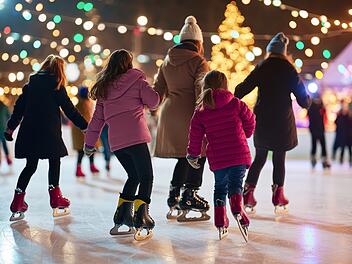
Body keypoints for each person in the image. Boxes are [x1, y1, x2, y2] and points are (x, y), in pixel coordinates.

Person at [84, 49, 159, 241]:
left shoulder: (104, 89)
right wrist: (151, 88)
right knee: (146, 177)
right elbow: (154, 102)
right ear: (128, 64)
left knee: (133, 176)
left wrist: (89, 143)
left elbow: (97, 120)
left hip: (117, 143)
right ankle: (141, 217)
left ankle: (122, 216)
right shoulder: (138, 81)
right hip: (136, 138)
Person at [234, 33, 311, 214]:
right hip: (282, 120)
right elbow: (303, 101)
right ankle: (278, 195)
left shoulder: (262, 66)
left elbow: (242, 89)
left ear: (269, 51)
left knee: (260, 157)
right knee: (279, 158)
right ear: (283, 52)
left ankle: (247, 193)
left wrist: (232, 99)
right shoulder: (289, 69)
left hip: (263, 119)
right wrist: (307, 99)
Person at [5, 55, 88, 221]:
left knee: (30, 166)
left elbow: (18, 109)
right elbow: (70, 110)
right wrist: (86, 126)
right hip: (49, 133)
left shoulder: (29, 86)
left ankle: (17, 201)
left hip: (30, 133)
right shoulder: (56, 86)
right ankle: (55, 197)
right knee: (54, 160)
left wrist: (10, 128)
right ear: (59, 70)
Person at [153, 16, 210, 221]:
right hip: (190, 113)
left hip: (169, 114)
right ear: (198, 42)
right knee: (199, 154)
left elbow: (157, 91)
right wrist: (204, 111)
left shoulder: (166, 61)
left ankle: (174, 195)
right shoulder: (198, 61)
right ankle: (190, 195)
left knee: (183, 157)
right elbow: (201, 89)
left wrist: (152, 107)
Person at [187, 70, 255, 241]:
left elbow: (194, 135)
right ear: (225, 85)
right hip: (238, 154)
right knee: (235, 186)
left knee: (220, 188)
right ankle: (237, 208)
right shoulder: (236, 104)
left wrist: (193, 154)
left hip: (218, 158)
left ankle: (220, 220)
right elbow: (251, 121)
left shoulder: (201, 110)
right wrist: (245, 133)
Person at [71, 86, 99, 179]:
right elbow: (87, 118)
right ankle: (79, 169)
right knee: (82, 151)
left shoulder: (84, 103)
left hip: (84, 131)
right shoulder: (82, 104)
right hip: (83, 131)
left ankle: (90, 166)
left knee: (88, 150)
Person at [307, 94, 331, 169]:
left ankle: (324, 160)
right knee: (314, 145)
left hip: (321, 130)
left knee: (323, 146)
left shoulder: (321, 107)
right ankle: (313, 160)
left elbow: (324, 117)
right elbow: (310, 119)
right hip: (314, 130)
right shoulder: (311, 108)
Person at [0, 100, 13, 167]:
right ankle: (8, 159)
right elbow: (9, 116)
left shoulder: (4, 107)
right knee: (4, 143)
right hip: (2, 128)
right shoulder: (4, 107)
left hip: (2, 128)